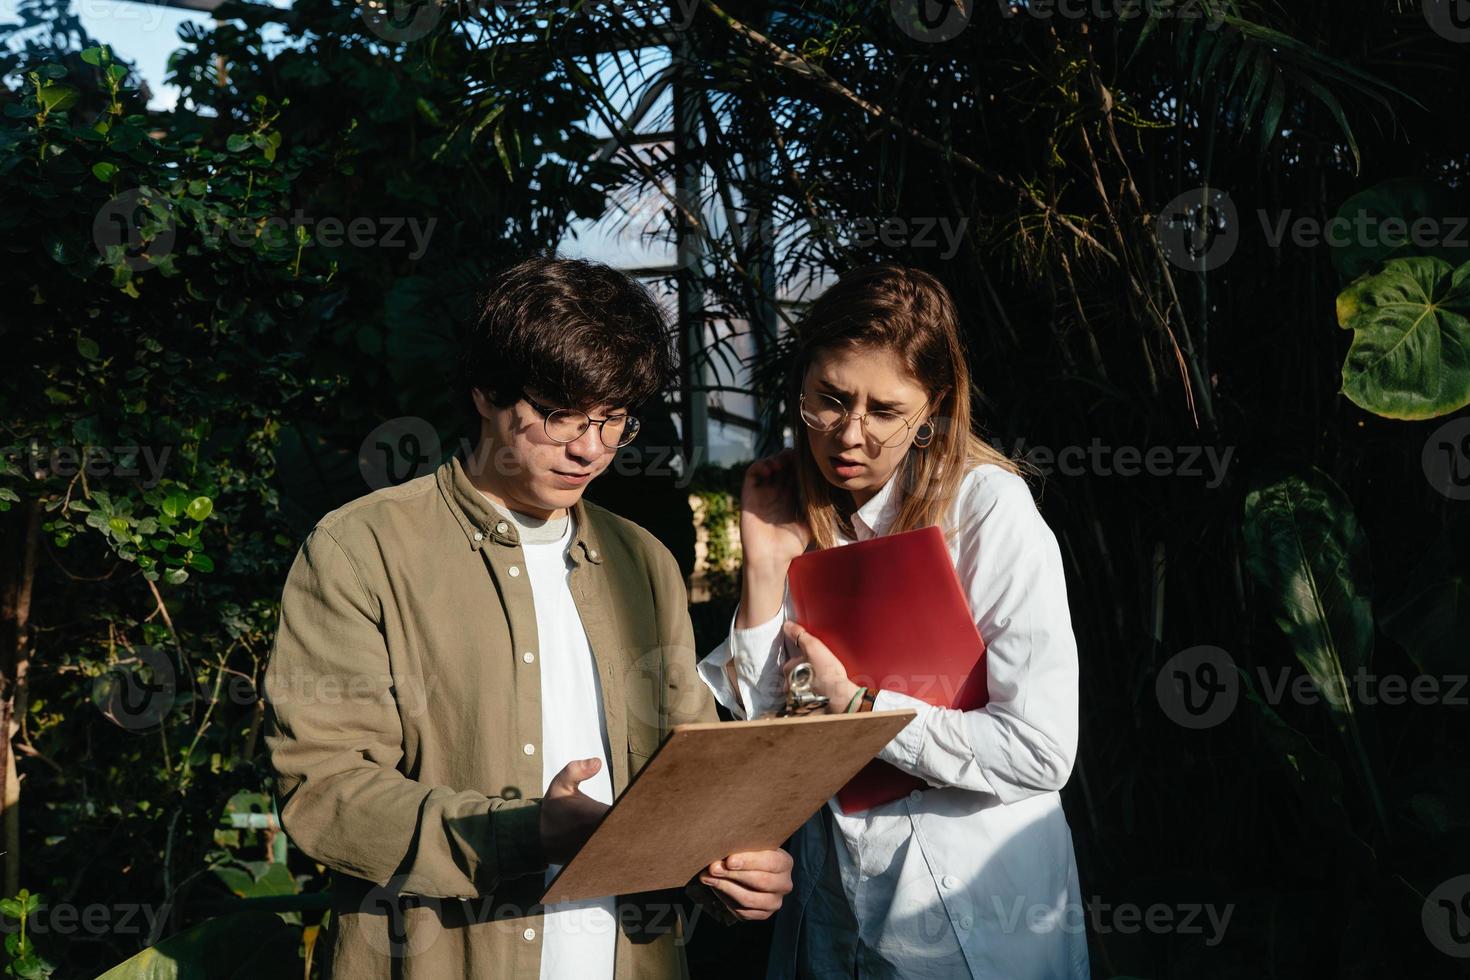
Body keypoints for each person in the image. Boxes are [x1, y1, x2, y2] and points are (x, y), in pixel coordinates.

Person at [264, 256, 793, 979]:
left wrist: (733, 869)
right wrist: (524, 834)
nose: (590, 448)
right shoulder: (362, 551)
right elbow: (325, 790)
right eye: (560, 416)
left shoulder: (642, 563)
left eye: (613, 421)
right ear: (485, 393)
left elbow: (686, 783)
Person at [696, 264, 1089, 979]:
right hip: (835, 908)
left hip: (971, 914)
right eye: (831, 399)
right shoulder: (798, 513)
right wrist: (763, 567)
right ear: (801, 386)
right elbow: (764, 733)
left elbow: (1039, 749)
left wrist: (861, 709)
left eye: (885, 411)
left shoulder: (987, 511)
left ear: (932, 408)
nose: (850, 435)